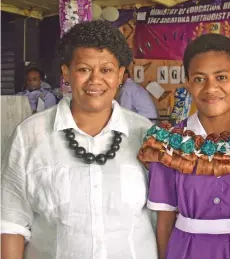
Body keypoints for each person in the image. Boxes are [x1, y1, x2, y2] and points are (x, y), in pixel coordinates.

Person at [1, 20, 158, 259]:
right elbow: (11, 222)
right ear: (66, 73)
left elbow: (163, 215)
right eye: (84, 69)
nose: (95, 80)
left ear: (120, 75)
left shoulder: (146, 135)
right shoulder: (29, 135)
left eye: (106, 70)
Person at [140, 34, 230, 259]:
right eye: (199, 79)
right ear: (188, 83)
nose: (211, 88)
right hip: (186, 250)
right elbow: (165, 221)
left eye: (221, 77)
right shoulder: (169, 144)